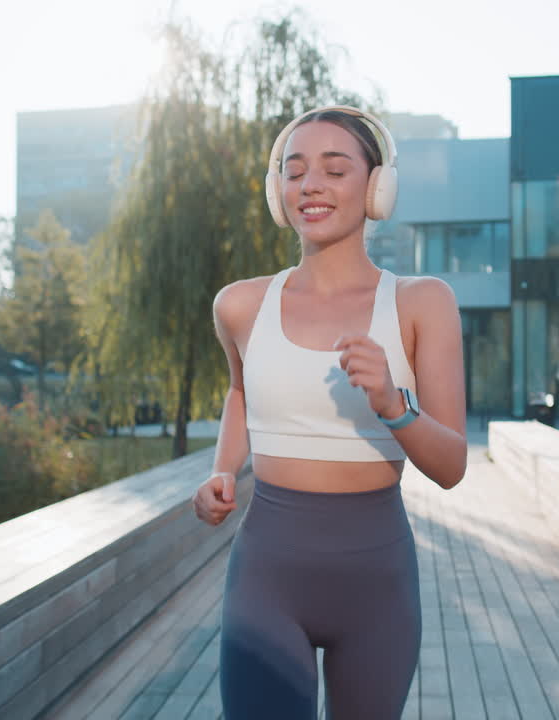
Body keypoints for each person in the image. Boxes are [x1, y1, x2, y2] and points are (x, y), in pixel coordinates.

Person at [192, 106, 467, 719]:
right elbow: (241, 394)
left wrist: (395, 407)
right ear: (277, 191)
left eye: (334, 169)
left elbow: (451, 467)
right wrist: (221, 470)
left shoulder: (422, 303)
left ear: (376, 187)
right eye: (294, 172)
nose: (310, 185)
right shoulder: (240, 305)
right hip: (265, 577)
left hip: (377, 588)